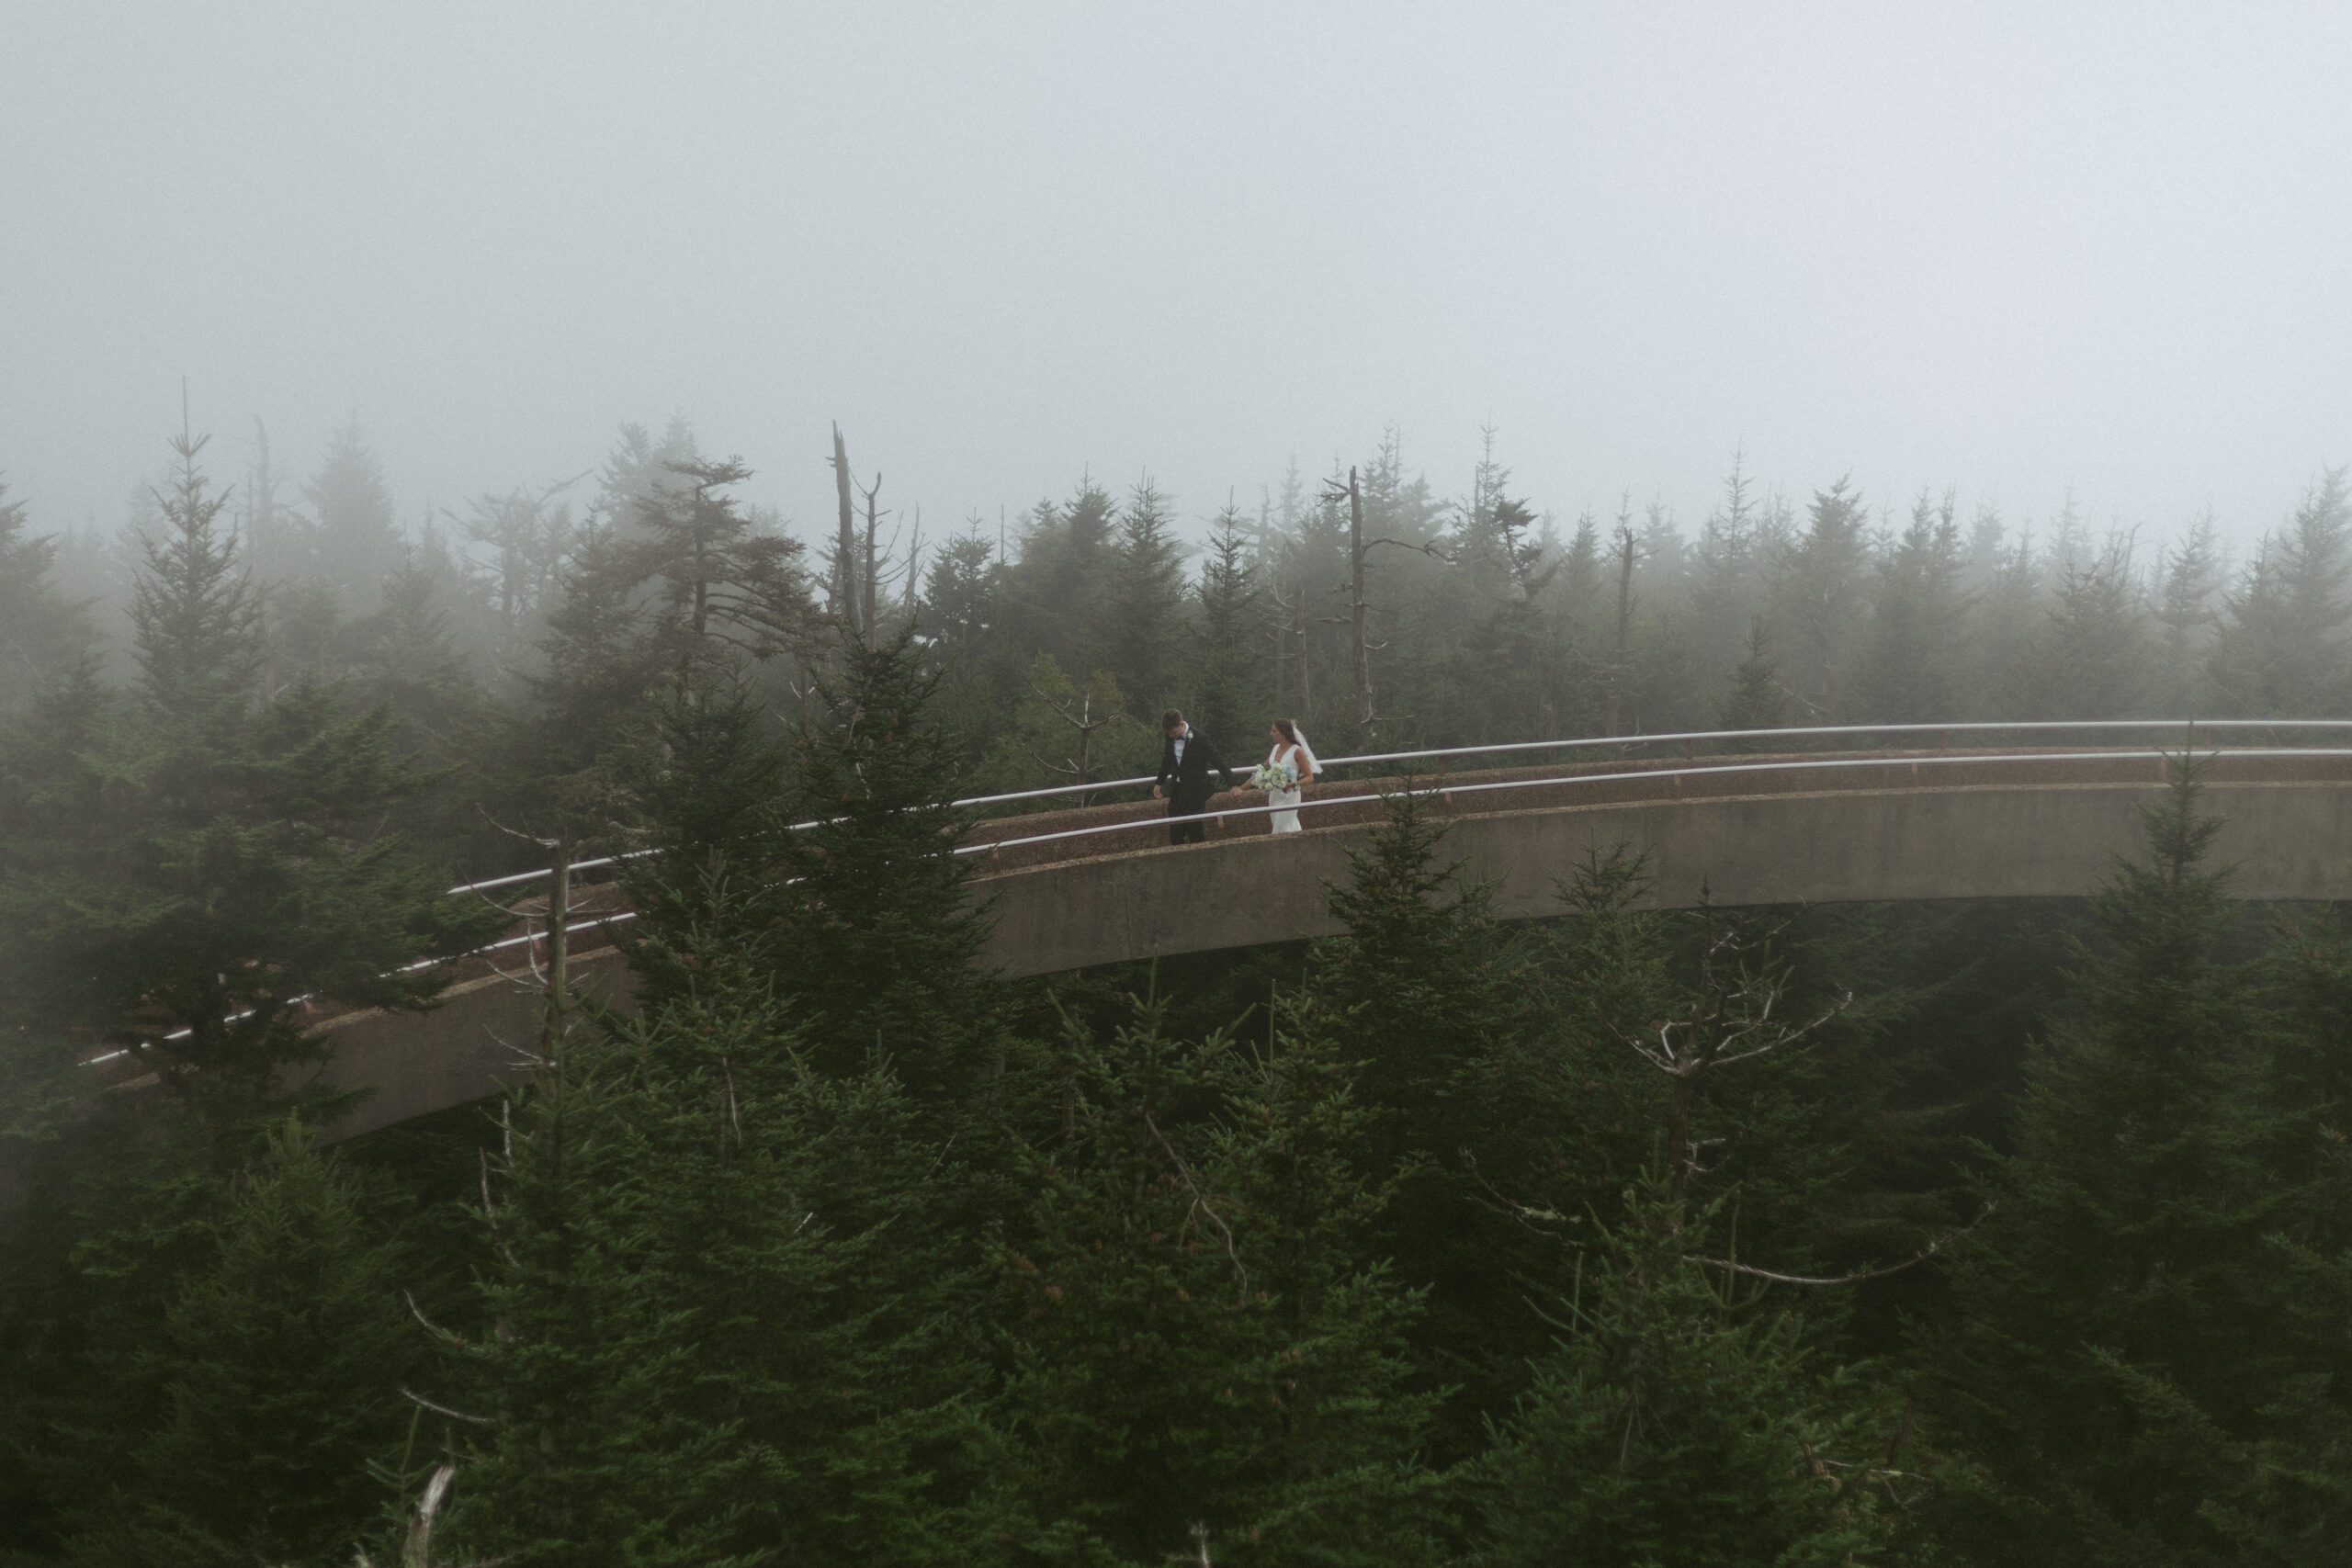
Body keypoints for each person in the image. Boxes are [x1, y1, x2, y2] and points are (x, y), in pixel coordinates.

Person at [1151, 708, 1236, 846]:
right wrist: (1159, 782)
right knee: (1175, 828)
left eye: (1173, 732)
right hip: (1177, 790)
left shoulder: (1200, 738)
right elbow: (1167, 760)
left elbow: (1217, 760)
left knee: (1194, 828)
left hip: (1196, 790)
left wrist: (1233, 783)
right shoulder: (1170, 737)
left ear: (1180, 724)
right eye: (1169, 733)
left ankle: (1201, 859)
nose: (1171, 735)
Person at [1259, 716, 1317, 833]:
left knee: (1281, 827)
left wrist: (1293, 785)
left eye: (1274, 731)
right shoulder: (1275, 748)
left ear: (1283, 733)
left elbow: (1310, 777)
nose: (1271, 733)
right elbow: (1262, 770)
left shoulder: (1297, 751)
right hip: (1275, 795)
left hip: (1290, 795)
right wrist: (1241, 787)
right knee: (1287, 825)